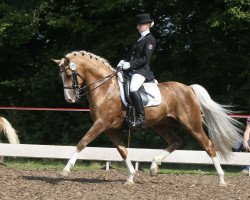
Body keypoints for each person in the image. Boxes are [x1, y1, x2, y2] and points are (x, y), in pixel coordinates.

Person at [117, 13, 156, 128]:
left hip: (142, 71)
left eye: (140, 24)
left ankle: (141, 118)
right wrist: (123, 61)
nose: (138, 26)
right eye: (138, 24)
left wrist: (130, 64)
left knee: (133, 88)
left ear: (147, 25)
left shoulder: (150, 39)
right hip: (132, 71)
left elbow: (145, 59)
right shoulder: (140, 39)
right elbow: (130, 55)